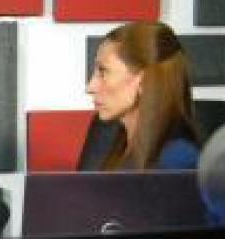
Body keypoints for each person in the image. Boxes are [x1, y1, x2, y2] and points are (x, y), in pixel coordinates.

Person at [86, 21, 200, 171]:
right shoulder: (110, 140)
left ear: (143, 81)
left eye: (103, 72)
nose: (90, 87)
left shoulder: (177, 160)